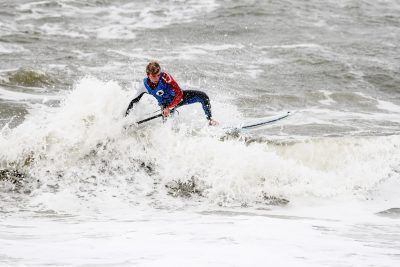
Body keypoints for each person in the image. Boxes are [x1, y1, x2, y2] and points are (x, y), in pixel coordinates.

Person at [125, 61, 218, 126]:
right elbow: (134, 101)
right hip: (165, 106)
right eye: (154, 76)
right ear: (148, 75)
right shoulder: (144, 86)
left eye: (158, 75)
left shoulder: (165, 77)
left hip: (177, 99)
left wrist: (170, 107)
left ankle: (210, 120)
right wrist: (125, 119)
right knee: (167, 127)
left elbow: (179, 93)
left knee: (203, 97)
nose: (157, 78)